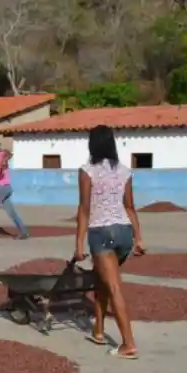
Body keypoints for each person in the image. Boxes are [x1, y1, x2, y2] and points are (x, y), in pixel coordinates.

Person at [74, 125, 145, 360]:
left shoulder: (87, 171)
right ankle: (99, 331)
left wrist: (79, 244)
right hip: (124, 232)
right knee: (102, 281)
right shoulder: (124, 171)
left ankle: (128, 344)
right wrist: (139, 238)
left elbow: (84, 208)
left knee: (113, 287)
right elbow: (130, 206)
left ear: (92, 144)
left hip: (101, 232)